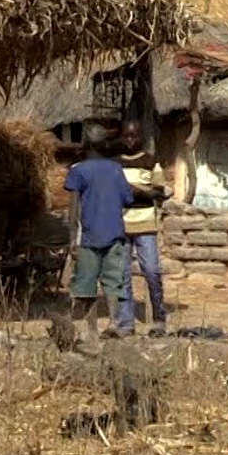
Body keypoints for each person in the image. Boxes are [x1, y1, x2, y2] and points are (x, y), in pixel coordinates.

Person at [63, 122, 155, 338]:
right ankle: (114, 322)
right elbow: (127, 198)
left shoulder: (78, 170)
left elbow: (74, 208)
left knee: (86, 285)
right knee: (113, 283)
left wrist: (71, 241)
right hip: (114, 235)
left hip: (87, 237)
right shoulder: (115, 169)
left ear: (85, 145)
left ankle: (92, 329)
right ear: (106, 144)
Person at [115, 121, 170, 335]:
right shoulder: (115, 163)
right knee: (122, 275)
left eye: (134, 136)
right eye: (126, 136)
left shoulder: (150, 160)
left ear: (140, 138)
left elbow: (158, 191)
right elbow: (113, 192)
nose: (130, 140)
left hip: (146, 223)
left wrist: (132, 191)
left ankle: (159, 318)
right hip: (121, 225)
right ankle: (126, 322)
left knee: (152, 271)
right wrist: (140, 192)